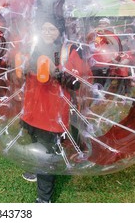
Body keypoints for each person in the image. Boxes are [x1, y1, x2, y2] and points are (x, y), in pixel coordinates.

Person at [20, 16, 86, 203]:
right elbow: (26, 76)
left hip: (52, 112)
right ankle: (37, 169)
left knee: (47, 152)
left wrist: (55, 73)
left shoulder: (69, 51)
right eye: (44, 28)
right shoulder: (34, 47)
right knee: (35, 143)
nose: (47, 32)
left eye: (52, 29)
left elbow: (76, 83)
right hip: (32, 108)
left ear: (61, 31)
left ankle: (44, 199)